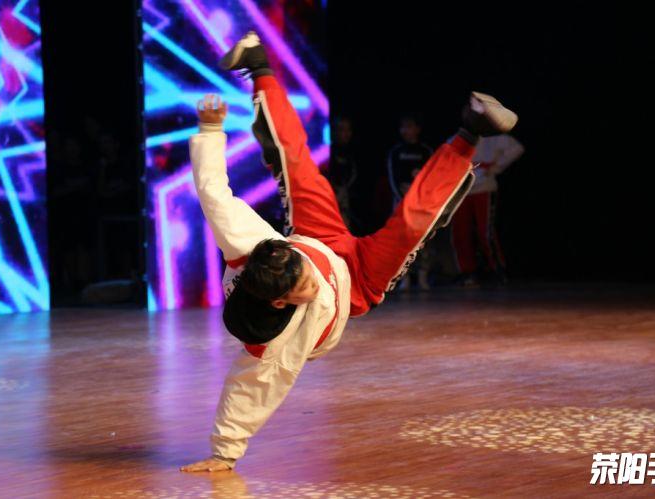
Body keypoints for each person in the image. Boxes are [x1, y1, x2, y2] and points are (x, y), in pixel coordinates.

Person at [180, 31, 518, 472]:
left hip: (316, 239)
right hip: (357, 284)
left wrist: (210, 130)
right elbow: (248, 392)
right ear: (282, 302)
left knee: (295, 165)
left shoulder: (250, 246)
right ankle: (470, 131)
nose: (311, 281)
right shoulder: (277, 345)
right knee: (412, 224)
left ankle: (258, 65)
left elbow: (213, 194)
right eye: (305, 286)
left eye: (301, 271)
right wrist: (224, 451)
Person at [452, 134, 524, 285]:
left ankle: (497, 269)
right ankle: (467, 271)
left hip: (484, 188)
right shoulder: (460, 137)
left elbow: (517, 148)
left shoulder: (494, 137)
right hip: (460, 190)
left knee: (485, 232)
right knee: (461, 232)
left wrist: (496, 167)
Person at [387, 113, 434, 290]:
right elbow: (392, 178)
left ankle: (422, 276)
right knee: (401, 241)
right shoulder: (396, 152)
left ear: (417, 129)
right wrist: (402, 198)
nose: (406, 130)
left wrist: (422, 198)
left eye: (410, 126)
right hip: (401, 203)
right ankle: (403, 278)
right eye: (403, 127)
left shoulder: (425, 151)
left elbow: (430, 177)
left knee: (423, 240)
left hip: (421, 204)